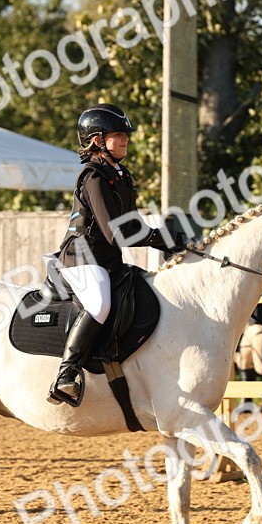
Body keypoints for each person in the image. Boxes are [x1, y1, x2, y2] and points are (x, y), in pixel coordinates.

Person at [48, 103, 187, 406]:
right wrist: (160, 239)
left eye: (126, 135)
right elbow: (115, 233)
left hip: (107, 260)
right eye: (118, 135)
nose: (126, 139)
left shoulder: (121, 175)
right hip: (82, 257)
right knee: (99, 303)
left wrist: (170, 240)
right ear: (98, 140)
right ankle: (66, 374)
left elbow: (134, 223)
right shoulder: (93, 176)